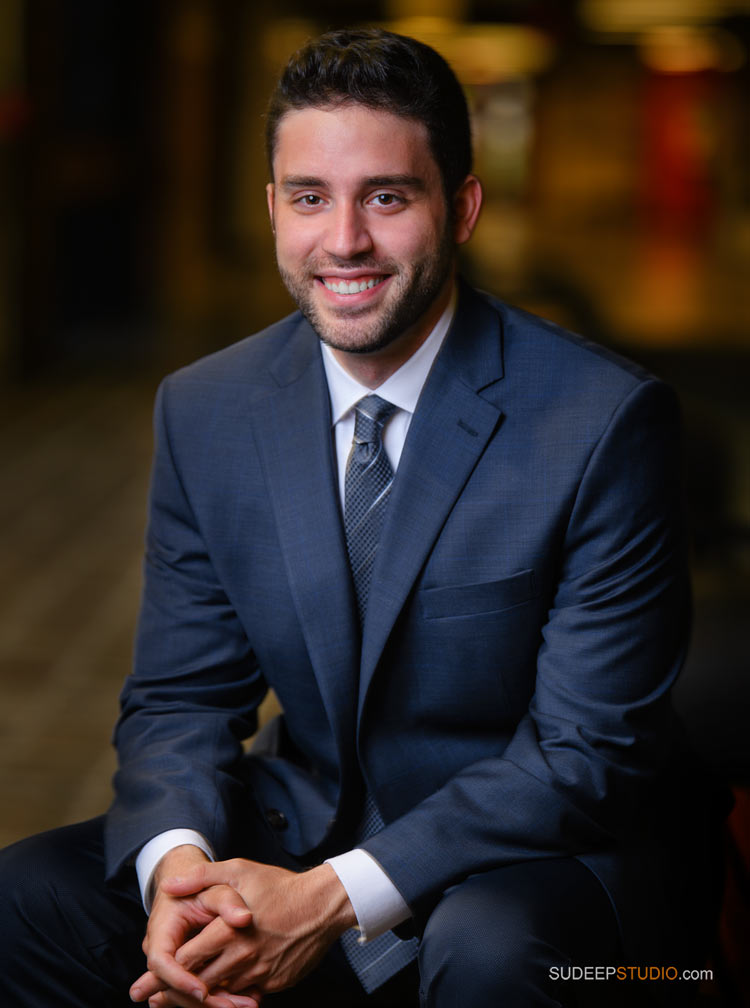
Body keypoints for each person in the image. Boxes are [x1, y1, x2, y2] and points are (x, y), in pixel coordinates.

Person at [0, 27, 722, 1008]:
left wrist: (331, 899)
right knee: (29, 896)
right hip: (299, 825)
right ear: (272, 210)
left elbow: (589, 754)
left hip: (526, 860)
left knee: (488, 947)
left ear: (461, 207)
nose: (343, 241)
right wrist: (182, 871)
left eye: (387, 196)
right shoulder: (208, 408)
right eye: (310, 197)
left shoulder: (601, 422)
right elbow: (181, 696)